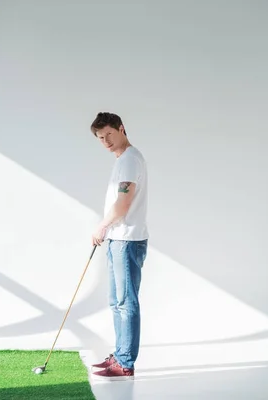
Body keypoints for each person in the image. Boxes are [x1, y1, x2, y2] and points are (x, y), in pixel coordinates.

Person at [89, 112, 149, 380]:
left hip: (126, 240)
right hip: (119, 239)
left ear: (121, 128)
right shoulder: (123, 161)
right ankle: (120, 354)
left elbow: (123, 205)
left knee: (126, 302)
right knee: (117, 301)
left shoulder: (130, 160)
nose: (106, 141)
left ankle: (125, 362)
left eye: (109, 134)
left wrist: (102, 226)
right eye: (101, 138)